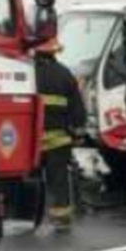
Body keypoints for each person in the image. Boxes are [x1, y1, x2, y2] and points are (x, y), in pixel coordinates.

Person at [35, 37, 88, 233]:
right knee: (58, 180)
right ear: (54, 52)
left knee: (32, 179)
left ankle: (30, 216)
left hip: (31, 143)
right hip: (58, 141)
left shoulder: (27, 71)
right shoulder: (64, 74)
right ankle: (61, 219)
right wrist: (78, 132)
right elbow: (77, 109)